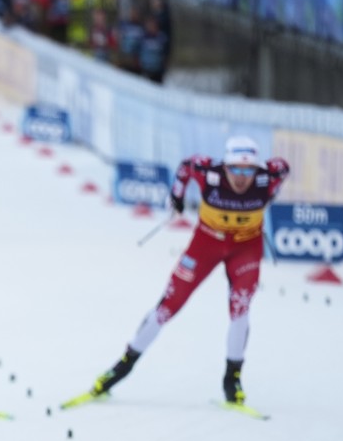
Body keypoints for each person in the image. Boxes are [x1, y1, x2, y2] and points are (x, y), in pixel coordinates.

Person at [76, 136, 288, 407]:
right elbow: (187, 166)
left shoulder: (267, 177)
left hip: (245, 249)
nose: (241, 177)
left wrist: (272, 193)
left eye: (248, 170)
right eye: (235, 169)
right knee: (168, 306)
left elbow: (282, 168)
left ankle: (232, 380)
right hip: (206, 246)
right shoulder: (208, 172)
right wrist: (176, 196)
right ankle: (121, 368)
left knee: (240, 307)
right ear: (225, 166)